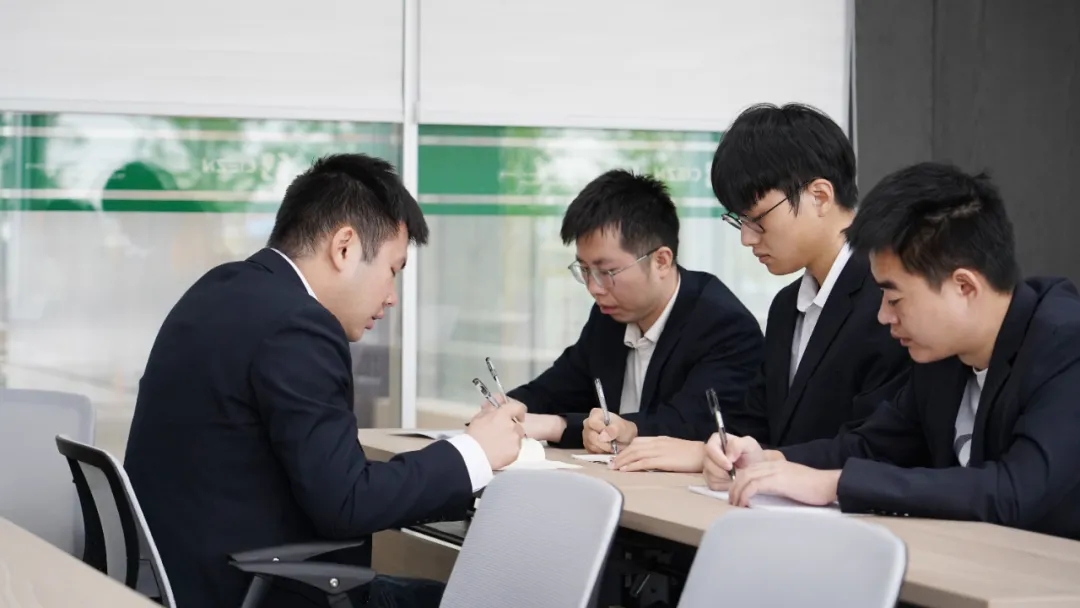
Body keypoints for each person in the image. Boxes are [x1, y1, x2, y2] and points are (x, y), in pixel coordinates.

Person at [125, 154, 527, 608]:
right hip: (251, 590)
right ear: (344, 247)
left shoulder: (220, 289)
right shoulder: (297, 325)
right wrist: (475, 452)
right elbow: (348, 503)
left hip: (188, 579)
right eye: (392, 270)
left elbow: (322, 475)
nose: (392, 297)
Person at [703, 162, 1080, 540]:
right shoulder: (941, 356)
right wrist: (769, 461)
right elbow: (872, 445)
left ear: (964, 287)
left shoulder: (1065, 344)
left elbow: (1015, 490)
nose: (884, 316)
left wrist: (834, 484)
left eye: (894, 298)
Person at [612, 103, 910, 473]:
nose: (747, 239)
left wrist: (758, 459)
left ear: (819, 197)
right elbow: (754, 424)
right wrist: (708, 449)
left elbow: (879, 446)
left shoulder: (890, 298)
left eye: (758, 219)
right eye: (740, 221)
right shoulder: (787, 306)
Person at [493, 169, 764, 452]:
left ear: (661, 261)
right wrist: (507, 406)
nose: (594, 288)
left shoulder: (724, 326)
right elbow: (558, 388)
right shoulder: (610, 315)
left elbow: (689, 426)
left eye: (607, 272)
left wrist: (559, 426)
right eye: (584, 270)